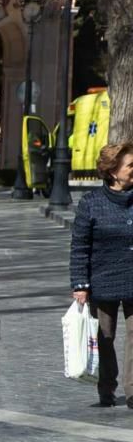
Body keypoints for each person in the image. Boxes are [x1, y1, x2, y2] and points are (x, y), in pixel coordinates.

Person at [70, 142, 133, 408]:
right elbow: (80, 246)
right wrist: (80, 284)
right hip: (102, 280)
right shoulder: (91, 203)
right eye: (130, 165)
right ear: (112, 170)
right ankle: (107, 387)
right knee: (104, 338)